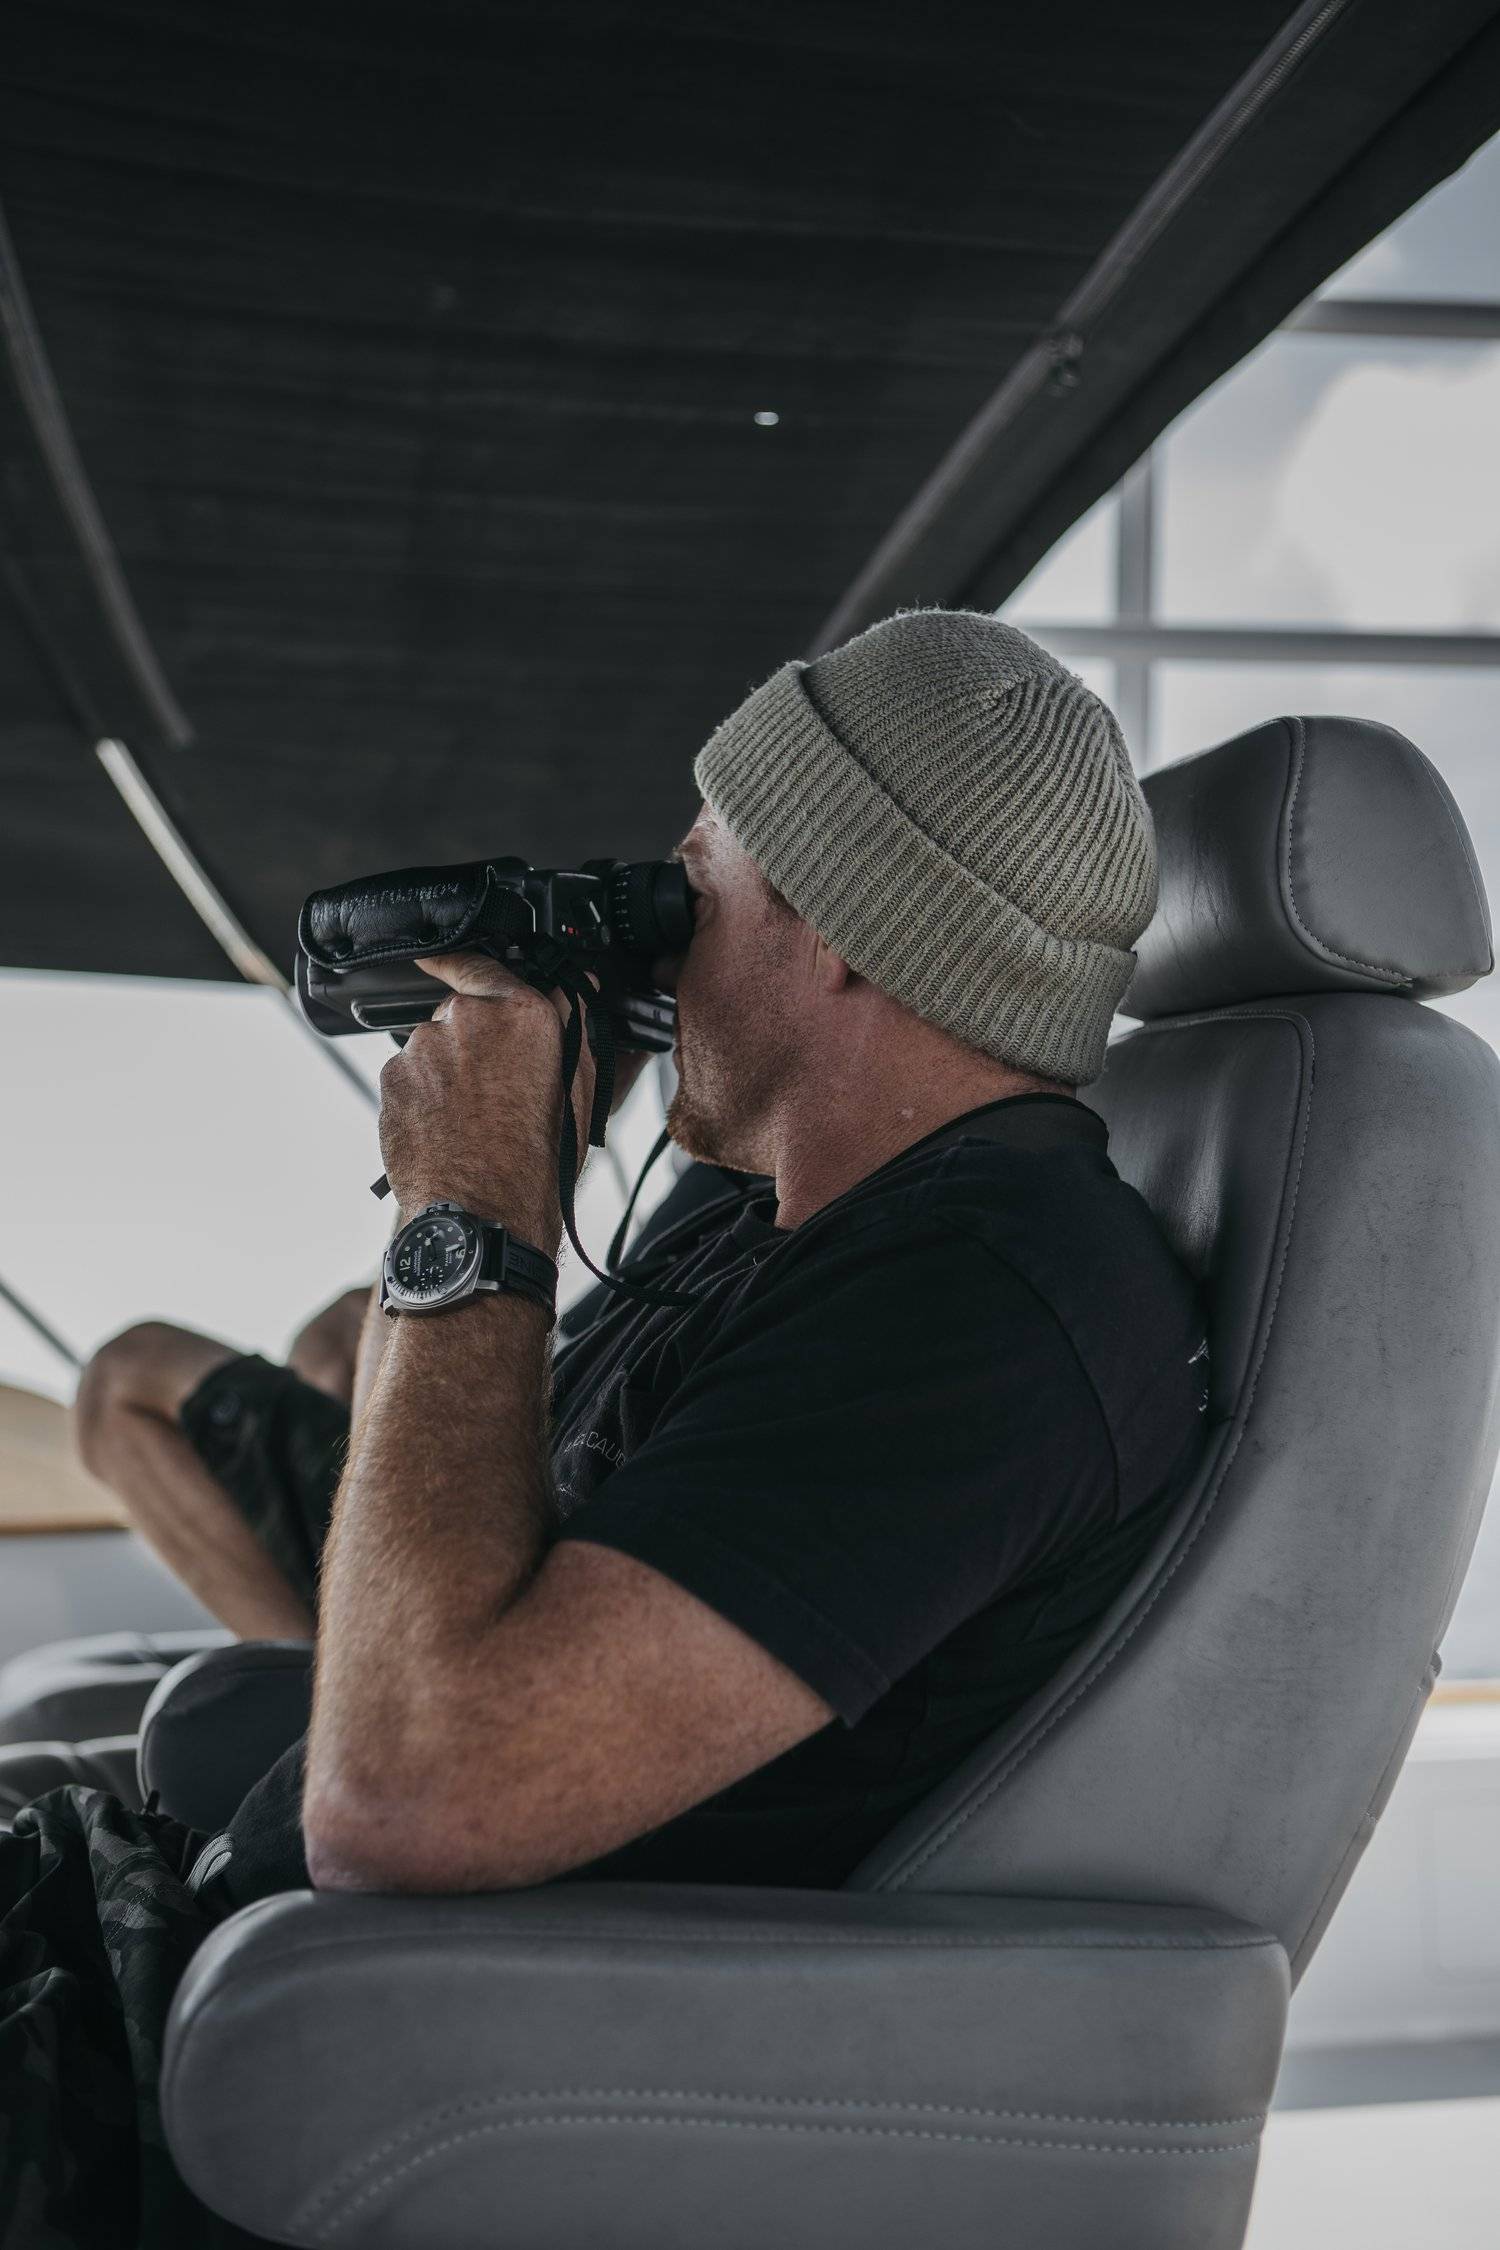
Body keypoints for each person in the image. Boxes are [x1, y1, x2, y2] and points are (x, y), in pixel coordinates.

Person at [3, 609, 1207, 2243]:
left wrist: (471, 1211)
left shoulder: (990, 1303)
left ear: (844, 919)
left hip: (295, 2057)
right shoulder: (789, 1207)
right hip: (198, 1931)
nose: (660, 921)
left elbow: (410, 1794)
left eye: (694, 878)